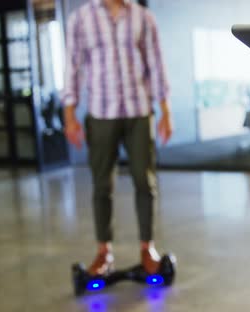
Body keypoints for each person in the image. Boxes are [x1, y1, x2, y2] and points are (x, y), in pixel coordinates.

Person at [61, 0, 173, 276]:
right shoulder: (81, 19)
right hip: (101, 112)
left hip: (139, 110)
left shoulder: (143, 17)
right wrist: (70, 115)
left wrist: (165, 111)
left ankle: (148, 248)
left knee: (144, 180)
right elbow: (72, 66)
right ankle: (103, 252)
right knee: (102, 185)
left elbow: (156, 64)